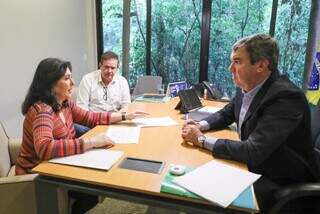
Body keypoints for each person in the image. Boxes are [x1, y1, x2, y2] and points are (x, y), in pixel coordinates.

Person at [181, 34, 319, 212]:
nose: (231, 68)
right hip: (254, 166)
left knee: (204, 199)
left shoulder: (285, 97)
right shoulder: (248, 86)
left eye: (237, 62)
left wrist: (201, 140)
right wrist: (201, 125)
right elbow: (226, 113)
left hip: (280, 180)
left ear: (261, 65)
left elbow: (253, 151)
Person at [16, 58, 147, 214]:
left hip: (58, 164)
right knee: (91, 188)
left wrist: (125, 116)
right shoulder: (43, 110)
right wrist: (90, 142)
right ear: (51, 84)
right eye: (67, 78)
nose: (73, 83)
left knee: (93, 184)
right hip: (39, 175)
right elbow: (44, 148)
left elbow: (91, 118)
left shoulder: (64, 104)